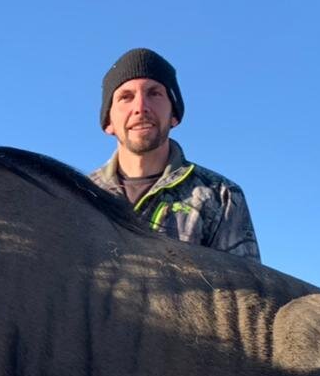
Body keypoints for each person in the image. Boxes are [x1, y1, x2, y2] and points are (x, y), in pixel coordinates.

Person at [90, 48, 261, 262]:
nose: (140, 107)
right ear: (108, 122)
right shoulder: (80, 196)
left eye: (154, 93)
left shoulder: (221, 196)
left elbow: (244, 289)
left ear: (174, 115)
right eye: (126, 97)